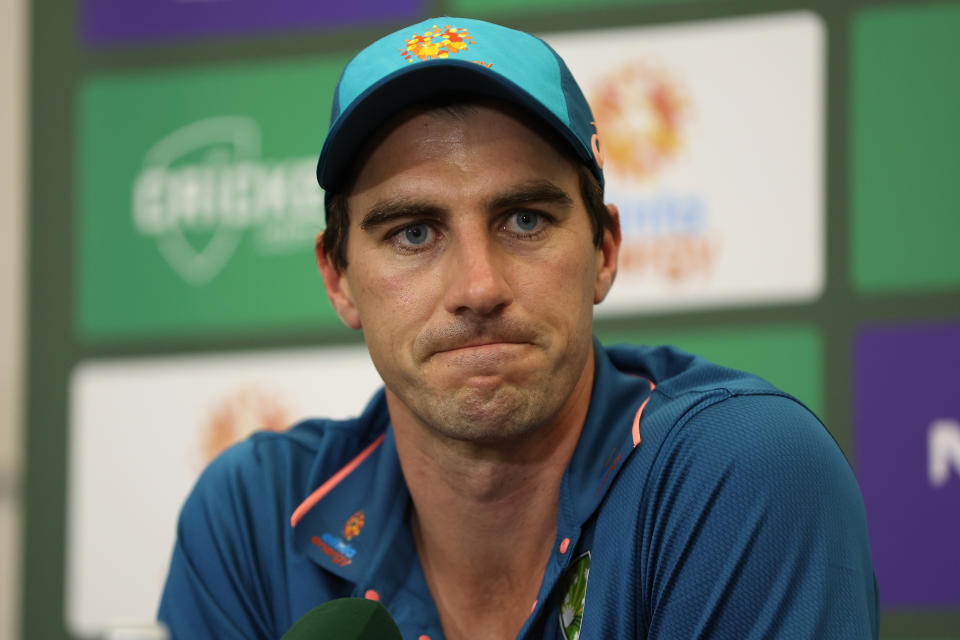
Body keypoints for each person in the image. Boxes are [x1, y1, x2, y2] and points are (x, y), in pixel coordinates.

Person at [158, 16, 878, 640]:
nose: (478, 287)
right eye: (413, 233)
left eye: (524, 221)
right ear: (338, 278)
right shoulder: (254, 518)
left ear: (603, 251)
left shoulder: (739, 474)